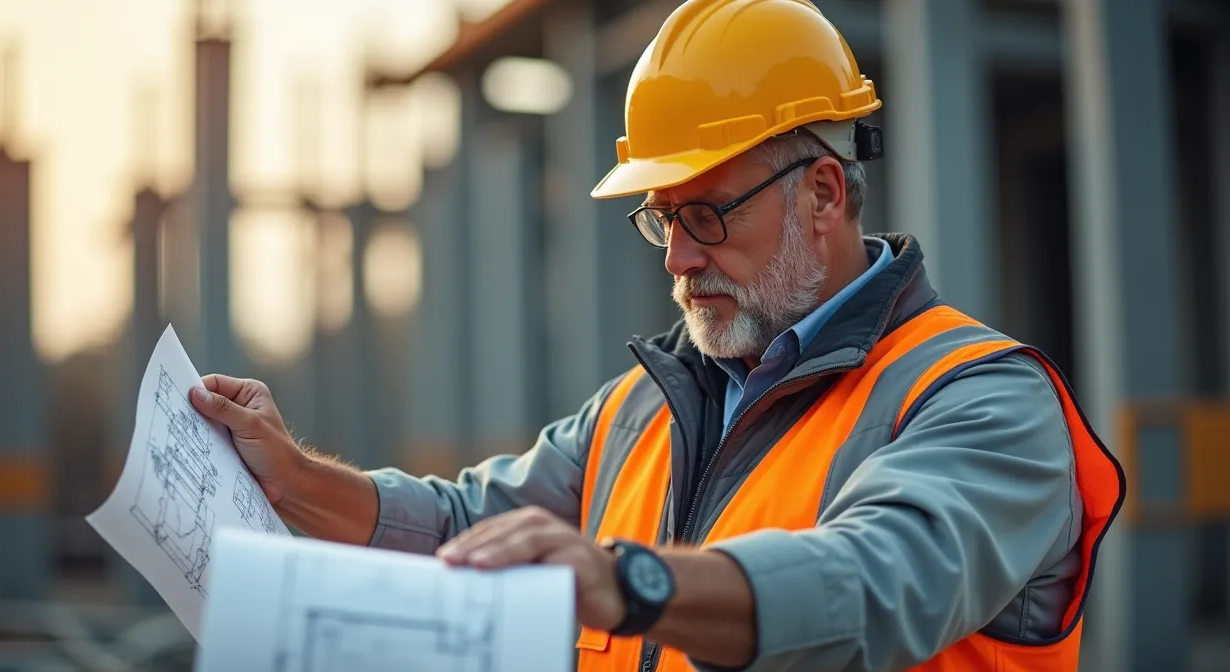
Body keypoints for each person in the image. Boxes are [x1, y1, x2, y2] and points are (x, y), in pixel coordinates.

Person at [190, 0, 1124, 670]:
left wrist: (628, 582)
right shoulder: (644, 407)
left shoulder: (980, 400)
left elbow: (875, 584)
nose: (677, 259)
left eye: (708, 215)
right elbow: (472, 527)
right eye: (660, 217)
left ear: (824, 194)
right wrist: (299, 479)